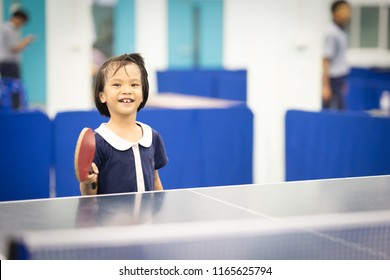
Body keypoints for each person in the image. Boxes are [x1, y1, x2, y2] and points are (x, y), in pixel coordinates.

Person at [80, 53, 168, 195]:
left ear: (143, 94)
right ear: (102, 95)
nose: (127, 90)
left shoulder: (152, 136)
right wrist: (88, 181)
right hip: (109, 217)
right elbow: (89, 196)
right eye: (117, 84)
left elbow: (155, 180)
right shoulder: (97, 142)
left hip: (147, 217)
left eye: (134, 84)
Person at [322, 0, 351, 110]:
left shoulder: (342, 31)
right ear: (334, 13)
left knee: (341, 110)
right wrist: (326, 86)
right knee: (335, 113)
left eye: (348, 10)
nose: (347, 13)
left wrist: (343, 81)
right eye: (343, 10)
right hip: (332, 80)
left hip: (339, 79)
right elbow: (325, 60)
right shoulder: (331, 32)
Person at [0, 9, 34, 79]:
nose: (22, 25)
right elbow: (14, 49)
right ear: (19, 18)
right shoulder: (8, 29)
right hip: (8, 63)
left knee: (13, 86)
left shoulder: (13, 29)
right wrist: (25, 41)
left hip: (9, 63)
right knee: (13, 87)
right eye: (22, 22)